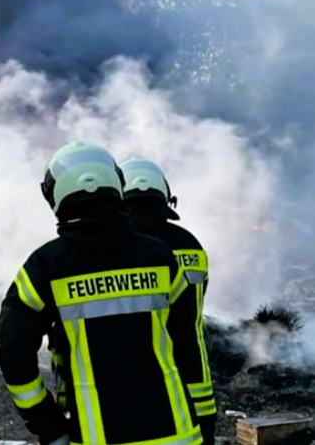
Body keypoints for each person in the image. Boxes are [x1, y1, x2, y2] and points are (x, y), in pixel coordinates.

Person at [0, 140, 202, 445]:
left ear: (54, 195)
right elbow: (188, 342)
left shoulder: (45, 266)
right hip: (177, 434)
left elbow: (13, 351)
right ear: (117, 184)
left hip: (95, 436)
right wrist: (205, 415)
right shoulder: (160, 256)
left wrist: (45, 422)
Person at [120, 156, 217, 445]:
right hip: (195, 386)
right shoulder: (191, 245)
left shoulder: (119, 247)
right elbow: (192, 314)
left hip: (129, 392)